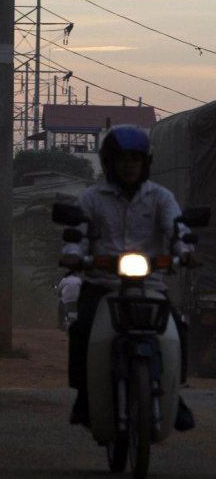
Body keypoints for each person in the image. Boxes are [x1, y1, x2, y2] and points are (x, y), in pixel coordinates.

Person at [60, 125, 198, 431]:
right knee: (81, 329)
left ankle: (176, 397)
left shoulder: (162, 197)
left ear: (145, 162)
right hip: (101, 284)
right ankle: (84, 396)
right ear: (109, 162)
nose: (129, 165)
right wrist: (72, 252)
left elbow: (177, 229)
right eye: (122, 159)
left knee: (178, 328)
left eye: (135, 159)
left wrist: (185, 250)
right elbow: (77, 234)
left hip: (149, 286)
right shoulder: (91, 199)